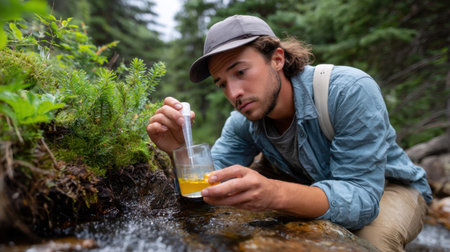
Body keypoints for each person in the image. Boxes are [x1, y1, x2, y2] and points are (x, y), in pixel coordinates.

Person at [147, 15, 432, 251]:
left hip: (386, 186)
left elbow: (361, 199)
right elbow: (206, 193)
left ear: (277, 59)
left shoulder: (348, 90)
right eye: (222, 84)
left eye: (241, 72)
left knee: (370, 244)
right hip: (305, 182)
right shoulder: (241, 124)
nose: (234, 93)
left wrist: (275, 194)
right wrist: (178, 152)